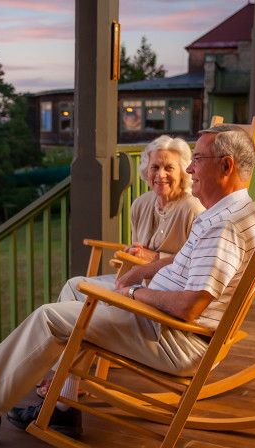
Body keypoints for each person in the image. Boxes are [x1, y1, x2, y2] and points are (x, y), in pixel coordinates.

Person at [0, 125, 255, 447]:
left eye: (197, 161)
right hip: (162, 323)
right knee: (78, 298)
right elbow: (182, 266)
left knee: (52, 317)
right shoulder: (229, 213)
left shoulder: (225, 227)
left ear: (226, 166)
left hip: (173, 336)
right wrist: (138, 278)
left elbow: (189, 307)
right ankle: (64, 411)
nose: (190, 171)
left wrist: (131, 293)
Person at [38, 135, 204, 398]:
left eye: (169, 167)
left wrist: (151, 257)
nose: (161, 174)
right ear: (146, 171)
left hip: (160, 297)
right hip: (135, 284)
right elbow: (139, 254)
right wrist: (133, 252)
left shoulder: (192, 208)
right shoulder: (141, 205)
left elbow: (192, 261)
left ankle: (64, 380)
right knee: (74, 285)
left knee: (84, 299)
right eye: (155, 167)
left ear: (183, 171)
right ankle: (66, 375)